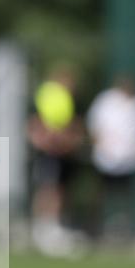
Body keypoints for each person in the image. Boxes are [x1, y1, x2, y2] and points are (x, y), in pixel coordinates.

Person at [87, 75, 135, 243]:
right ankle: (97, 230)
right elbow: (94, 126)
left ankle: (128, 228)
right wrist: (101, 145)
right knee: (102, 194)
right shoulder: (105, 101)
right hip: (106, 159)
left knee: (128, 196)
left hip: (130, 160)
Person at [27, 65, 85, 257]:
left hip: (61, 152)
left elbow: (71, 126)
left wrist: (67, 140)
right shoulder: (46, 96)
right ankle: (44, 227)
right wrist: (49, 140)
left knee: (58, 188)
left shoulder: (68, 100)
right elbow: (36, 126)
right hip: (48, 152)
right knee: (48, 188)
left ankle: (53, 225)